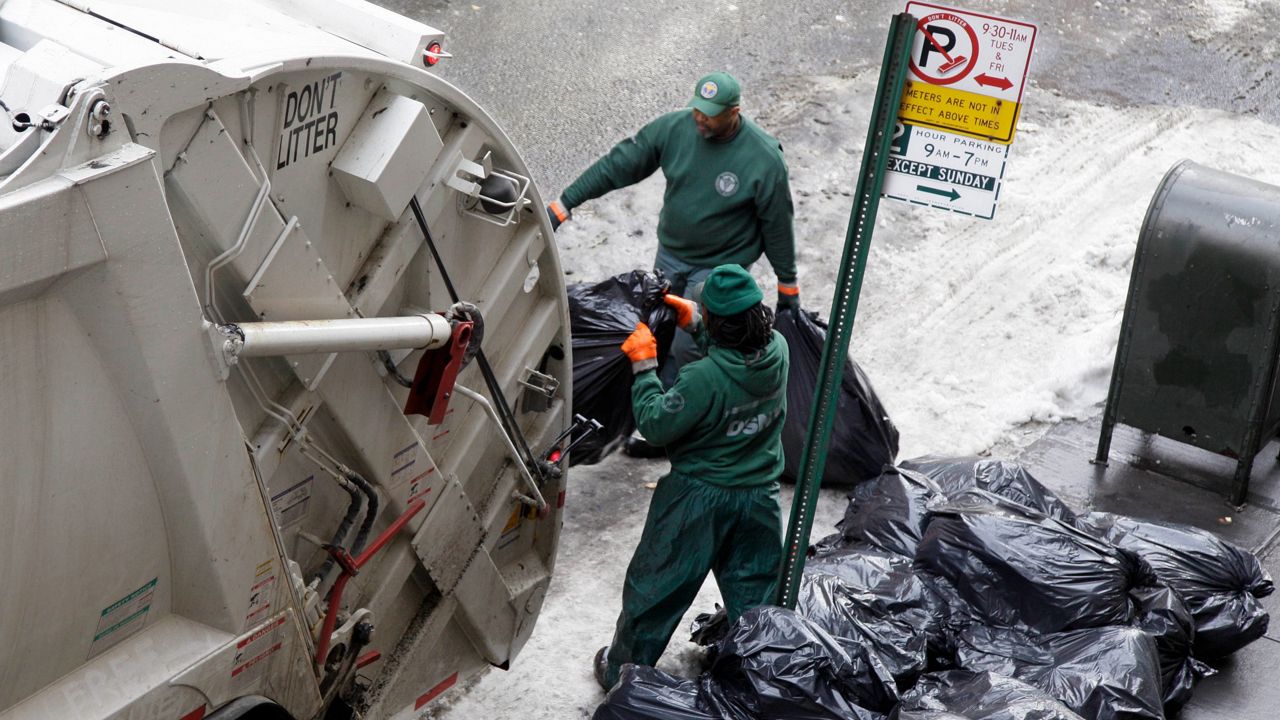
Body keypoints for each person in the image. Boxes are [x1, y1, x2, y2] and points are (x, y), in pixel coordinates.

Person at [593, 264, 790, 691]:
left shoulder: (703, 378)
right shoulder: (778, 350)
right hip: (759, 498)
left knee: (657, 588)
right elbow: (739, 352)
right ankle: (758, 683)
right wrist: (697, 321)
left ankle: (621, 673)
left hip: (698, 500)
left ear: (722, 323)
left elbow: (657, 425)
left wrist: (644, 368)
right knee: (755, 594)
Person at [547, 71, 800, 394]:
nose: (699, 119)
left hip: (718, 268)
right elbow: (621, 163)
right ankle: (647, 400)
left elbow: (777, 224)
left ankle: (670, 413)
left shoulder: (763, 159)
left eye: (709, 115)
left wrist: (788, 285)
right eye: (696, 109)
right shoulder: (675, 129)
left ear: (733, 113)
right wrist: (565, 203)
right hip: (671, 253)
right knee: (655, 326)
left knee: (689, 346)